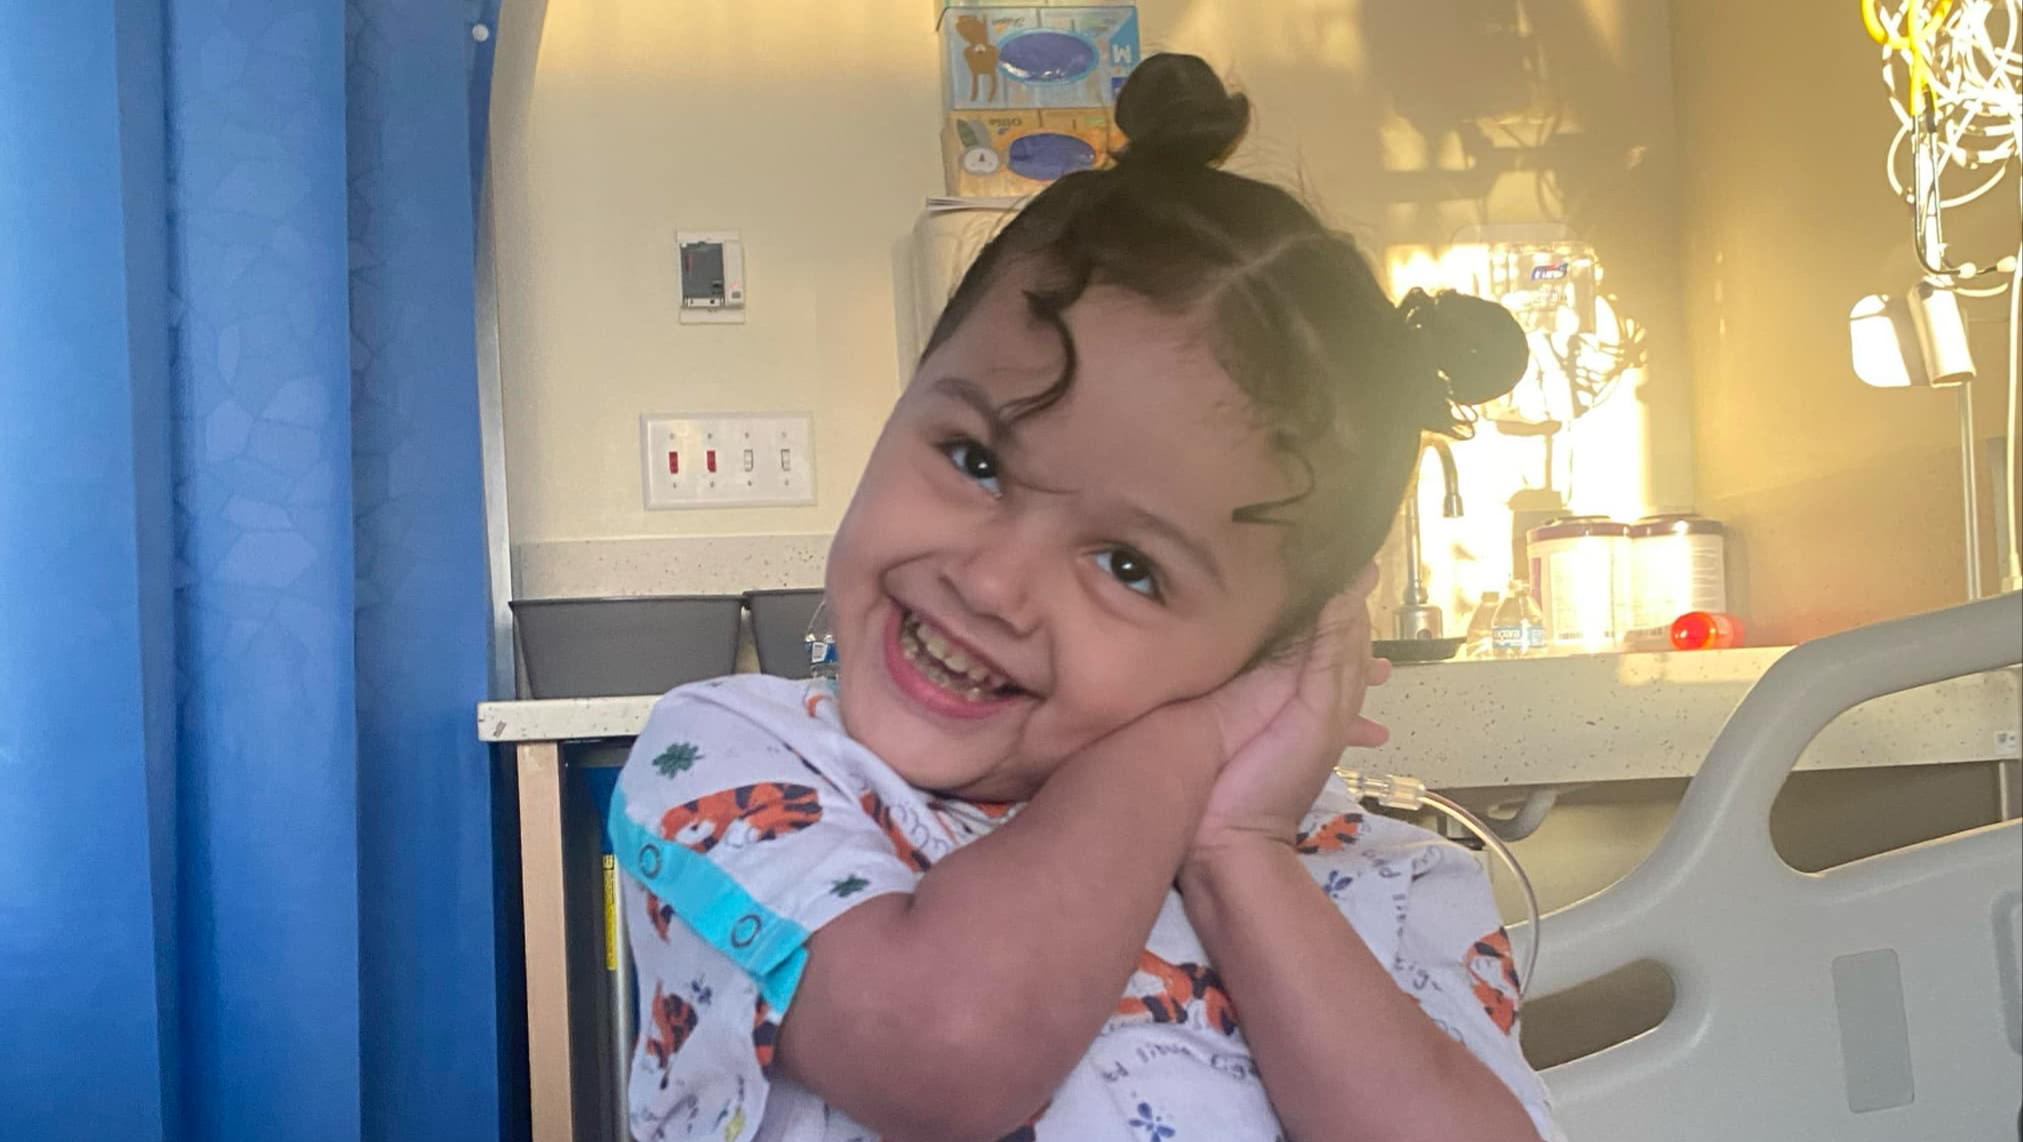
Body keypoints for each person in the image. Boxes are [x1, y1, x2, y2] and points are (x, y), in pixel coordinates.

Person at [609, 52, 1561, 1142]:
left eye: (1128, 565)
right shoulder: (742, 761)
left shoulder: (1378, 875)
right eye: (974, 459)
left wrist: (1237, 853)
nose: (992, 581)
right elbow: (943, 1053)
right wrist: (1185, 745)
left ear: (1280, 647)